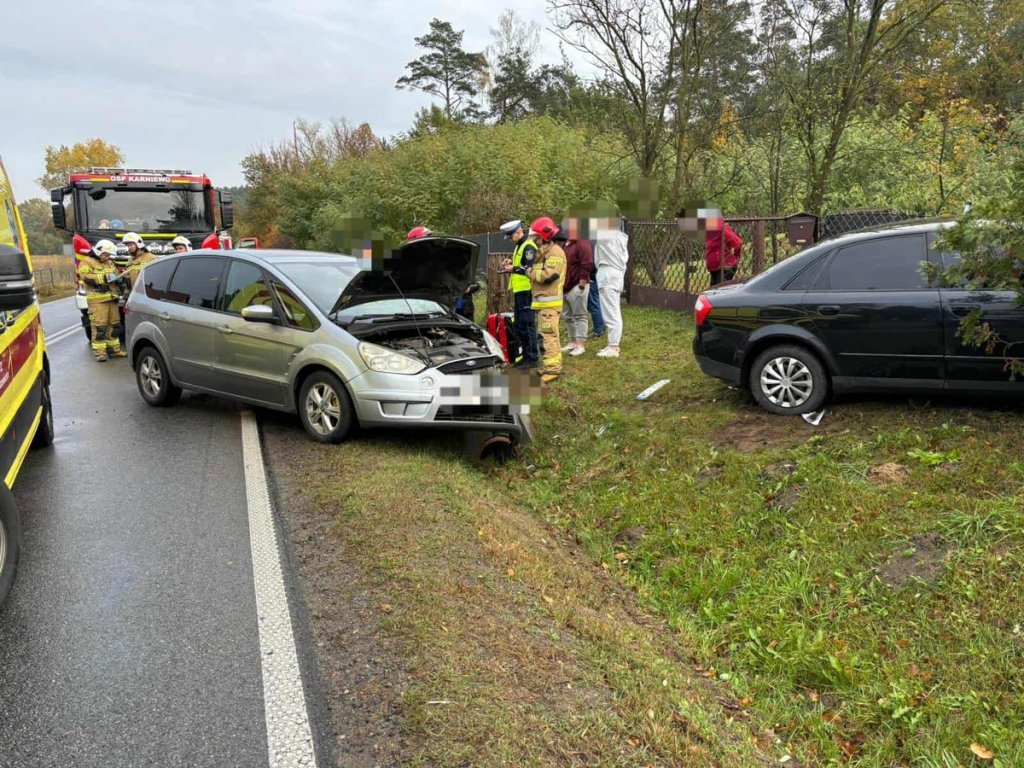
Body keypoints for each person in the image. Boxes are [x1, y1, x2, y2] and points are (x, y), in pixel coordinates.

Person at [526, 217, 566, 383]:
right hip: (544, 303)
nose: (533, 240)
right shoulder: (546, 251)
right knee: (546, 335)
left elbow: (549, 276)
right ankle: (549, 365)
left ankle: (553, 370)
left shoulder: (555, 252)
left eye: (535, 237)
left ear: (543, 236)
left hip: (550, 303)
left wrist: (529, 272)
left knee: (549, 336)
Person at [77, 239, 127, 362]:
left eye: (109, 255)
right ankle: (100, 353)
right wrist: (105, 278)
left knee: (115, 325)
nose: (107, 257)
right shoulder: (86, 262)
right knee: (100, 327)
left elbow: (114, 273)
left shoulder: (109, 262)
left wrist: (120, 278)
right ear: (99, 251)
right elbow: (86, 277)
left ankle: (114, 350)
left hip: (112, 298)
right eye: (106, 255)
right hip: (98, 300)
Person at [499, 219, 540, 369]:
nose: (510, 240)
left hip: (527, 291)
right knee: (519, 325)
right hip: (519, 291)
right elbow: (520, 264)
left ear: (518, 232)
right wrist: (509, 263)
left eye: (511, 236)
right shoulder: (519, 246)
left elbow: (528, 269)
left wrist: (513, 269)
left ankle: (533, 358)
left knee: (528, 325)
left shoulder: (529, 246)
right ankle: (525, 355)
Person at [593, 215, 629, 358]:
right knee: (613, 309)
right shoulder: (620, 238)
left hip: (608, 274)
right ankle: (612, 344)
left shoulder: (607, 237)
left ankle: (613, 346)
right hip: (615, 274)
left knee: (611, 311)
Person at [560, 216, 593, 357]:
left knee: (580, 315)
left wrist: (581, 285)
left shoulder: (582, 243)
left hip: (577, 285)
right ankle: (572, 342)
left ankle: (580, 345)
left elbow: (587, 264)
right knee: (567, 316)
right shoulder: (565, 244)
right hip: (565, 286)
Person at [705, 217, 743, 286]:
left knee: (719, 291)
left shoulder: (722, 229)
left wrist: (736, 256)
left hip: (724, 267)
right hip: (714, 268)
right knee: (712, 292)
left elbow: (738, 243)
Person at [588, 262, 606, 339]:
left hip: (593, 278)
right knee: (597, 303)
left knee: (593, 305)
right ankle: (601, 325)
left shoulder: (591, 249)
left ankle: (598, 330)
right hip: (598, 277)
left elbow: (590, 263)